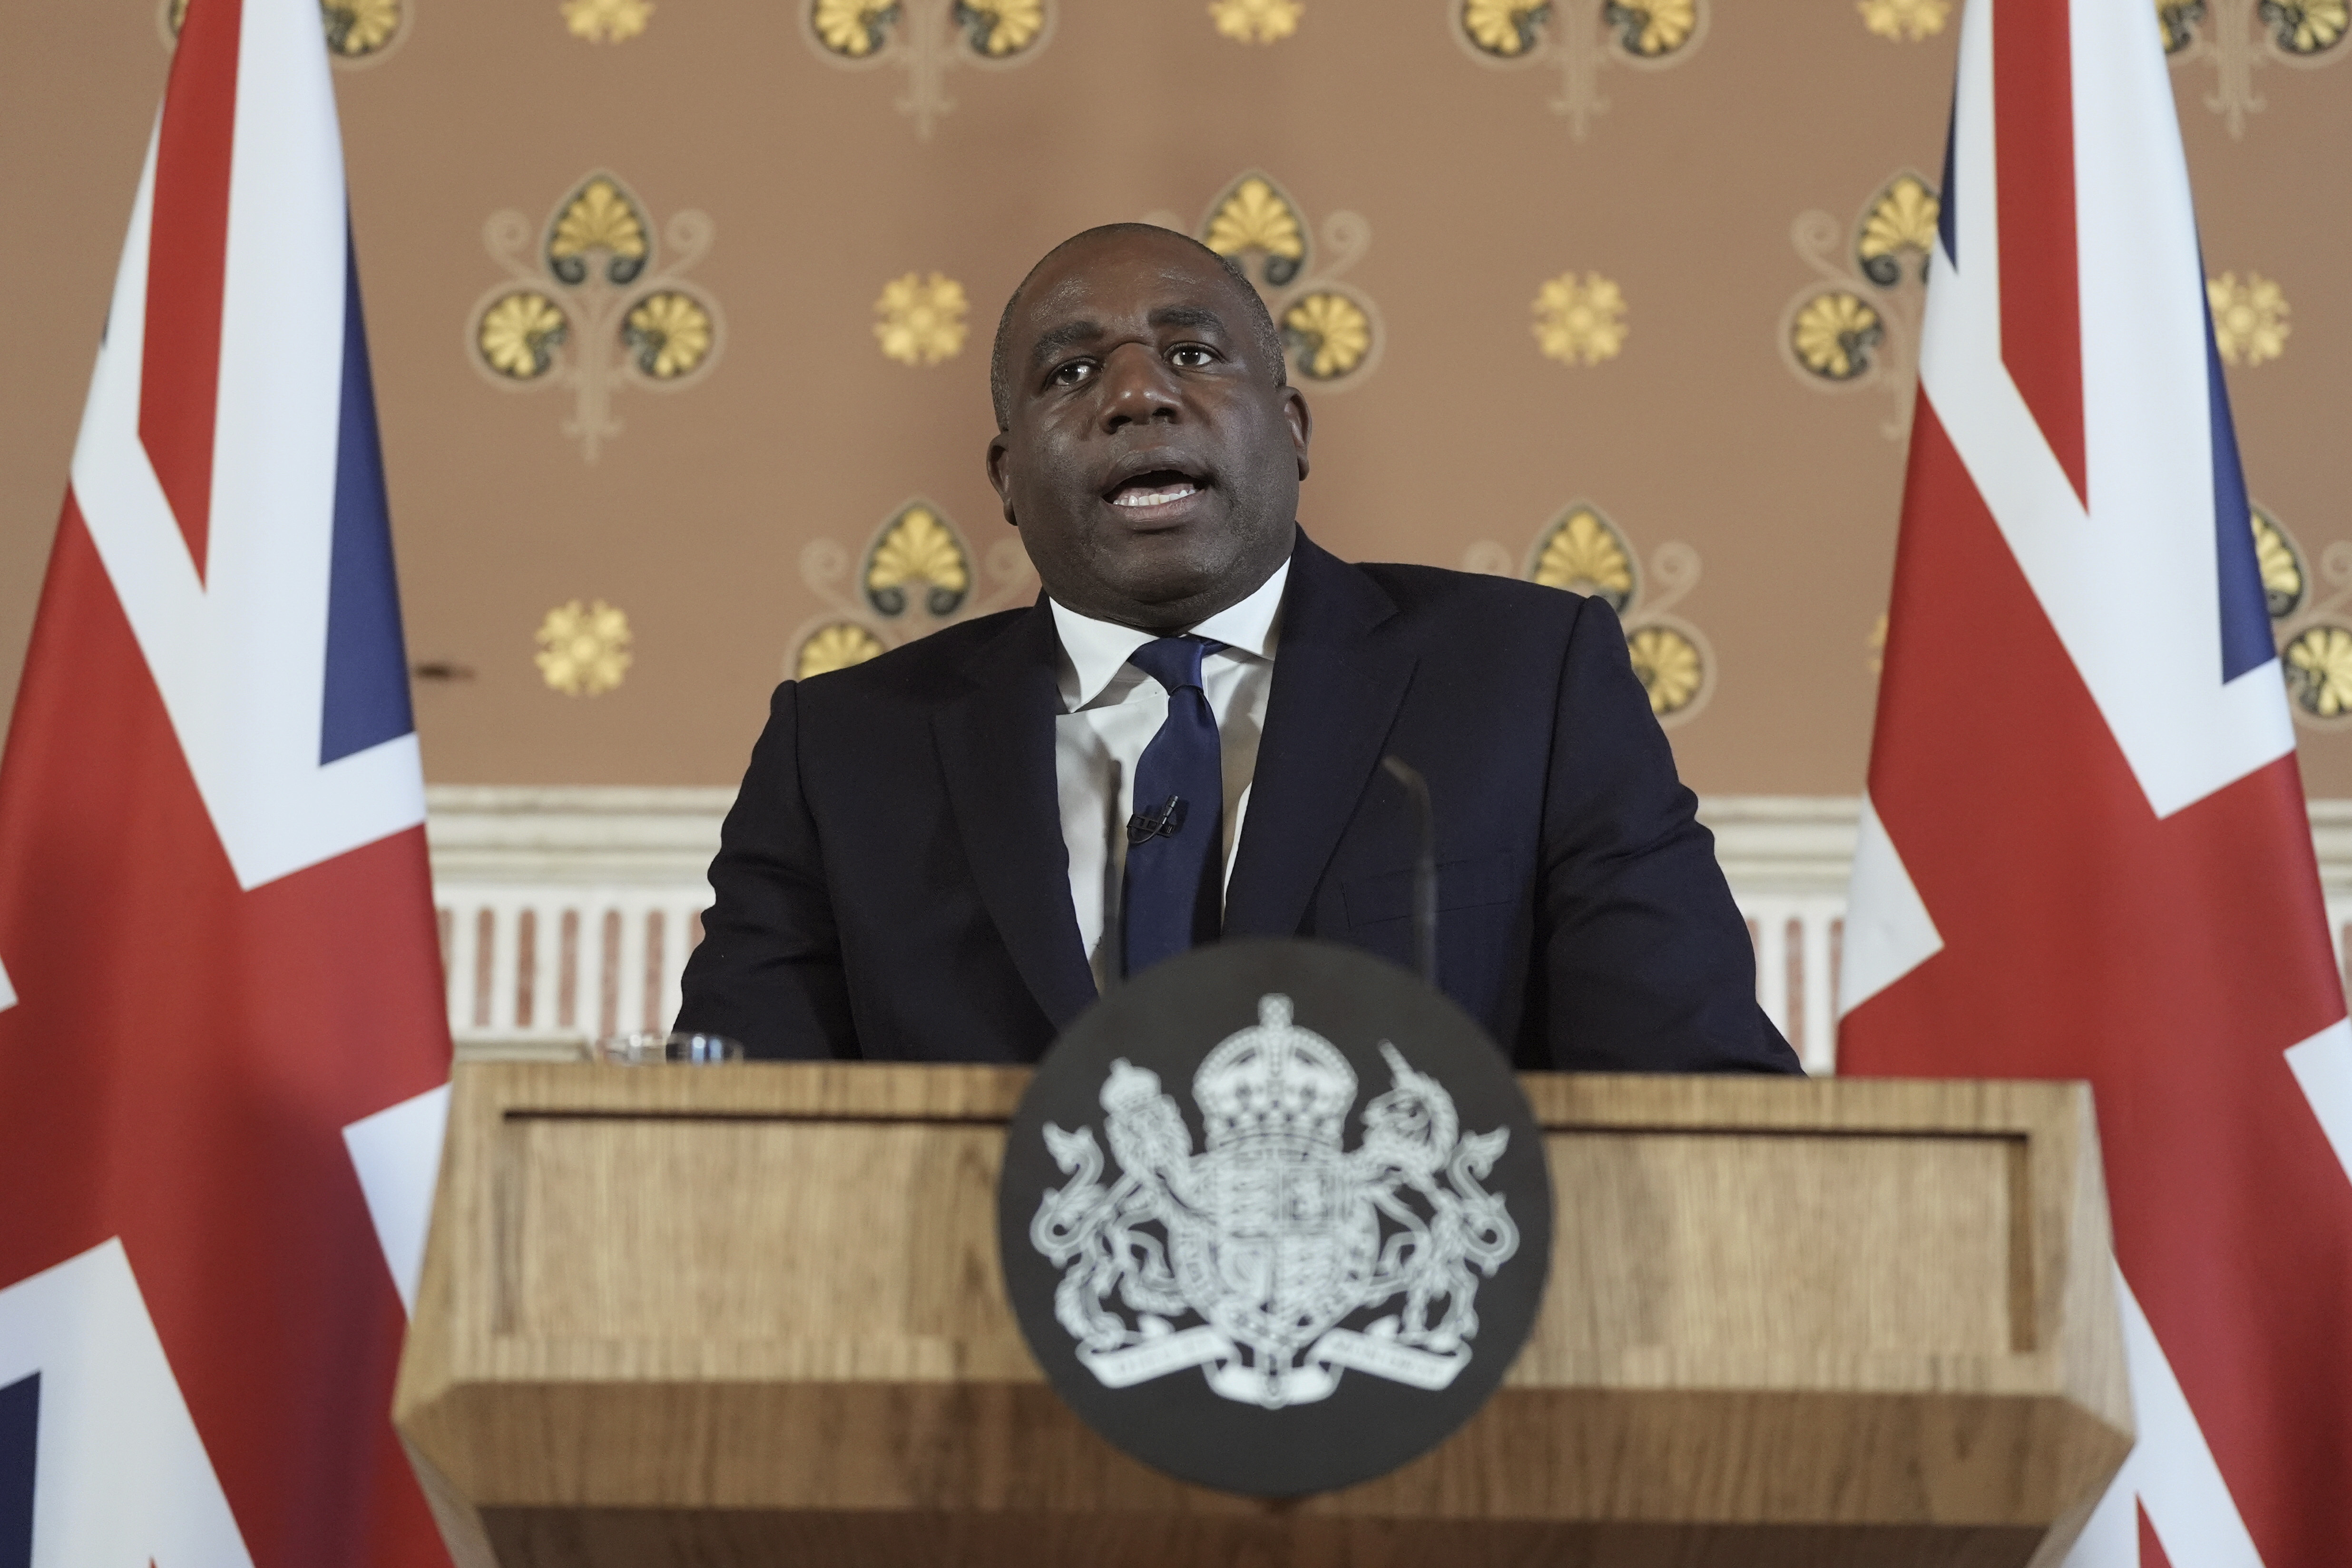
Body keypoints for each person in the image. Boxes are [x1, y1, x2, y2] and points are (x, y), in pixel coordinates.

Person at [676, 224, 1797, 1073]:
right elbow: (728, 1146)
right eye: (1069, 374)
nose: (1136, 393)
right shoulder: (842, 755)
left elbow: (1698, 1094)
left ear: (1295, 430)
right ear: (1006, 479)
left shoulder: (1526, 684)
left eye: (1193, 352)